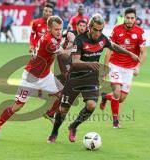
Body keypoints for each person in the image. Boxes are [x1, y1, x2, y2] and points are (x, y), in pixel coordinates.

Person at [47, 14, 139, 143]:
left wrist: (130, 53)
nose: (98, 33)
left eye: (101, 30)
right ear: (89, 27)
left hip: (91, 78)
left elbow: (114, 46)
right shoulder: (80, 40)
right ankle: (54, 132)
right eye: (95, 29)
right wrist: (90, 64)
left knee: (91, 105)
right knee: (63, 109)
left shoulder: (102, 39)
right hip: (75, 77)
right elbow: (75, 61)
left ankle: (73, 126)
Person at [0, 16, 64, 141]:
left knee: (62, 94)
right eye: (56, 29)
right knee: (18, 106)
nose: (59, 32)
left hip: (45, 75)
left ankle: (50, 113)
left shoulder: (55, 37)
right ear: (49, 28)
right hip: (31, 77)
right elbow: (64, 54)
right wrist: (74, 45)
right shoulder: (48, 41)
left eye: (60, 29)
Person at [100, 8, 147, 128]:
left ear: (135, 19)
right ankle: (116, 122)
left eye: (132, 18)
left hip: (129, 68)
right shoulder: (116, 30)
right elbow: (109, 50)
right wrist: (105, 69)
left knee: (121, 98)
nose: (130, 20)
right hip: (115, 65)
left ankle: (105, 97)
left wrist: (138, 66)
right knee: (116, 92)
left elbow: (144, 52)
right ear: (124, 18)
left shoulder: (140, 32)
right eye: (128, 18)